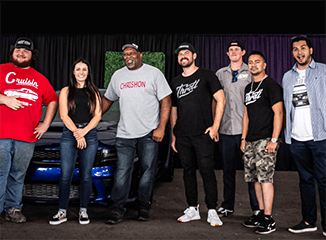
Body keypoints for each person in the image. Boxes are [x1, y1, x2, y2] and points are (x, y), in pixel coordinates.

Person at [103, 43, 172, 224]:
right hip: (125, 134)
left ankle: (143, 208)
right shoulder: (118, 75)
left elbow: (166, 101)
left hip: (149, 133)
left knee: (147, 172)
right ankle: (117, 209)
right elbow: (107, 100)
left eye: (132, 53)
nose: (128, 57)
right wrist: (91, 118)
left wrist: (161, 128)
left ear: (140, 55)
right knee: (122, 172)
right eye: (125, 54)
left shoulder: (154, 73)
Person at [0, 37, 58, 223]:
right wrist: (5, 100)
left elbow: (52, 100)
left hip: (27, 137)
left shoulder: (39, 78)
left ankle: (13, 209)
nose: (21, 53)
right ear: (12, 51)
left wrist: (45, 124)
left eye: (26, 51)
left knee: (17, 175)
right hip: (1, 135)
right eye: (18, 49)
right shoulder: (1, 70)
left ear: (32, 55)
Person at [170, 43, 226, 227]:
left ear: (194, 55)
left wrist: (215, 126)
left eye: (187, 52)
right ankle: (192, 208)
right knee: (187, 172)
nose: (183, 55)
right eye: (180, 54)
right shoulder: (176, 81)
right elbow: (174, 109)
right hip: (183, 135)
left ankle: (212, 210)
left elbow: (220, 99)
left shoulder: (207, 75)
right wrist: (173, 135)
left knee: (207, 171)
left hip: (203, 134)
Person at [49, 58, 102, 225]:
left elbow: (98, 115)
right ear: (73, 72)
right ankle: (62, 211)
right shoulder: (65, 91)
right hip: (69, 134)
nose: (81, 72)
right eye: (78, 69)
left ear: (88, 73)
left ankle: (83, 211)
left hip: (90, 134)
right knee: (66, 175)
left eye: (84, 69)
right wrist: (77, 134)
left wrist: (84, 133)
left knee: (86, 175)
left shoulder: (94, 91)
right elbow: (64, 115)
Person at [283, 35, 326, 237]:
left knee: (324, 181)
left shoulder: (324, 71)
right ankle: (309, 221)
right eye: (295, 49)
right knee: (305, 181)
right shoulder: (287, 77)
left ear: (310, 50)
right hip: (297, 138)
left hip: (320, 136)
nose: (299, 52)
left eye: (302, 48)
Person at [240, 51, 283, 235]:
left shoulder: (271, 85)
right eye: (250, 62)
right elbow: (246, 115)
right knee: (255, 179)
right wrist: (243, 138)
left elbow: (279, 113)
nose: (253, 65)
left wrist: (274, 139)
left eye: (257, 62)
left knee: (265, 179)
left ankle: (268, 218)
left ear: (264, 65)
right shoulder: (248, 88)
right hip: (250, 140)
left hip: (266, 139)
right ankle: (259, 213)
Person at [215, 40, 259, 219]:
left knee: (251, 171)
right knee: (227, 171)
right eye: (230, 50)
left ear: (243, 52)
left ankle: (257, 207)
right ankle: (227, 206)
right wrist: (215, 126)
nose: (233, 52)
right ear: (227, 54)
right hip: (226, 130)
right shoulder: (220, 74)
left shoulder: (251, 72)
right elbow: (215, 101)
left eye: (237, 49)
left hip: (246, 132)